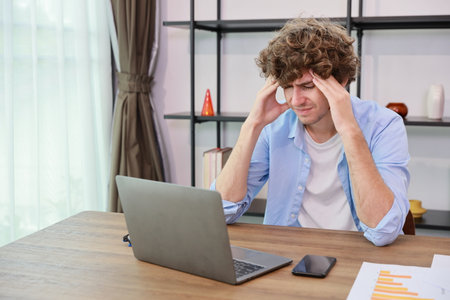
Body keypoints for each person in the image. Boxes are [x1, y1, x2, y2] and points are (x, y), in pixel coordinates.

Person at [212, 17, 410, 246]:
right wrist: (252, 125)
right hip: (289, 259)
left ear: (342, 80)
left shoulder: (383, 125)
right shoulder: (274, 128)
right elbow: (222, 213)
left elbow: (383, 231)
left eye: (308, 86)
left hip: (360, 258)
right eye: (287, 87)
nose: (296, 101)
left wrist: (348, 129)